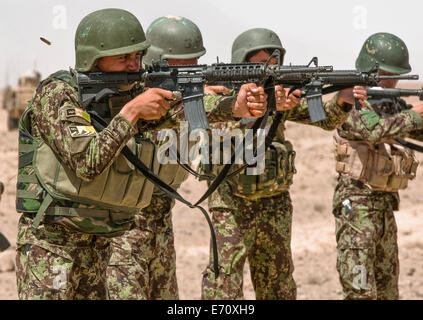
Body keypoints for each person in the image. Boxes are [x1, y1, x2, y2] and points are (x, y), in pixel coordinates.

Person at [14, 8, 181, 300]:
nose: (134, 66)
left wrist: (233, 105)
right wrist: (131, 113)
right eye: (123, 58)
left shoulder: (125, 94)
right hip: (53, 249)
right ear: (93, 58)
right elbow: (86, 163)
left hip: (97, 249)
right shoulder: (57, 94)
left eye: (137, 57)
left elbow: (181, 110)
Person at [104, 16, 269, 300]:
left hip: (160, 228)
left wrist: (237, 106)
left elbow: (209, 118)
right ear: (156, 61)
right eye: (182, 65)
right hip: (123, 232)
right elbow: (166, 114)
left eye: (195, 61)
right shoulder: (129, 99)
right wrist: (203, 100)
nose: (192, 70)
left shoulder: (183, 95)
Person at [201, 28, 361, 300]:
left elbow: (323, 120)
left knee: (278, 283)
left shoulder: (280, 93)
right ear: (240, 63)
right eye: (259, 63)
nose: (268, 69)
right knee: (223, 286)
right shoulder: (220, 95)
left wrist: (343, 101)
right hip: (230, 204)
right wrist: (261, 107)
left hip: (273, 204)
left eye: (273, 63)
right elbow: (227, 128)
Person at [332, 32, 423, 300]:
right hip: (357, 209)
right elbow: (375, 130)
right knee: (360, 291)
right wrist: (413, 115)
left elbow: (414, 129)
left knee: (387, 291)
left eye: (395, 75)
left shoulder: (390, 103)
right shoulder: (352, 101)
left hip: (384, 208)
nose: (391, 81)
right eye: (385, 74)